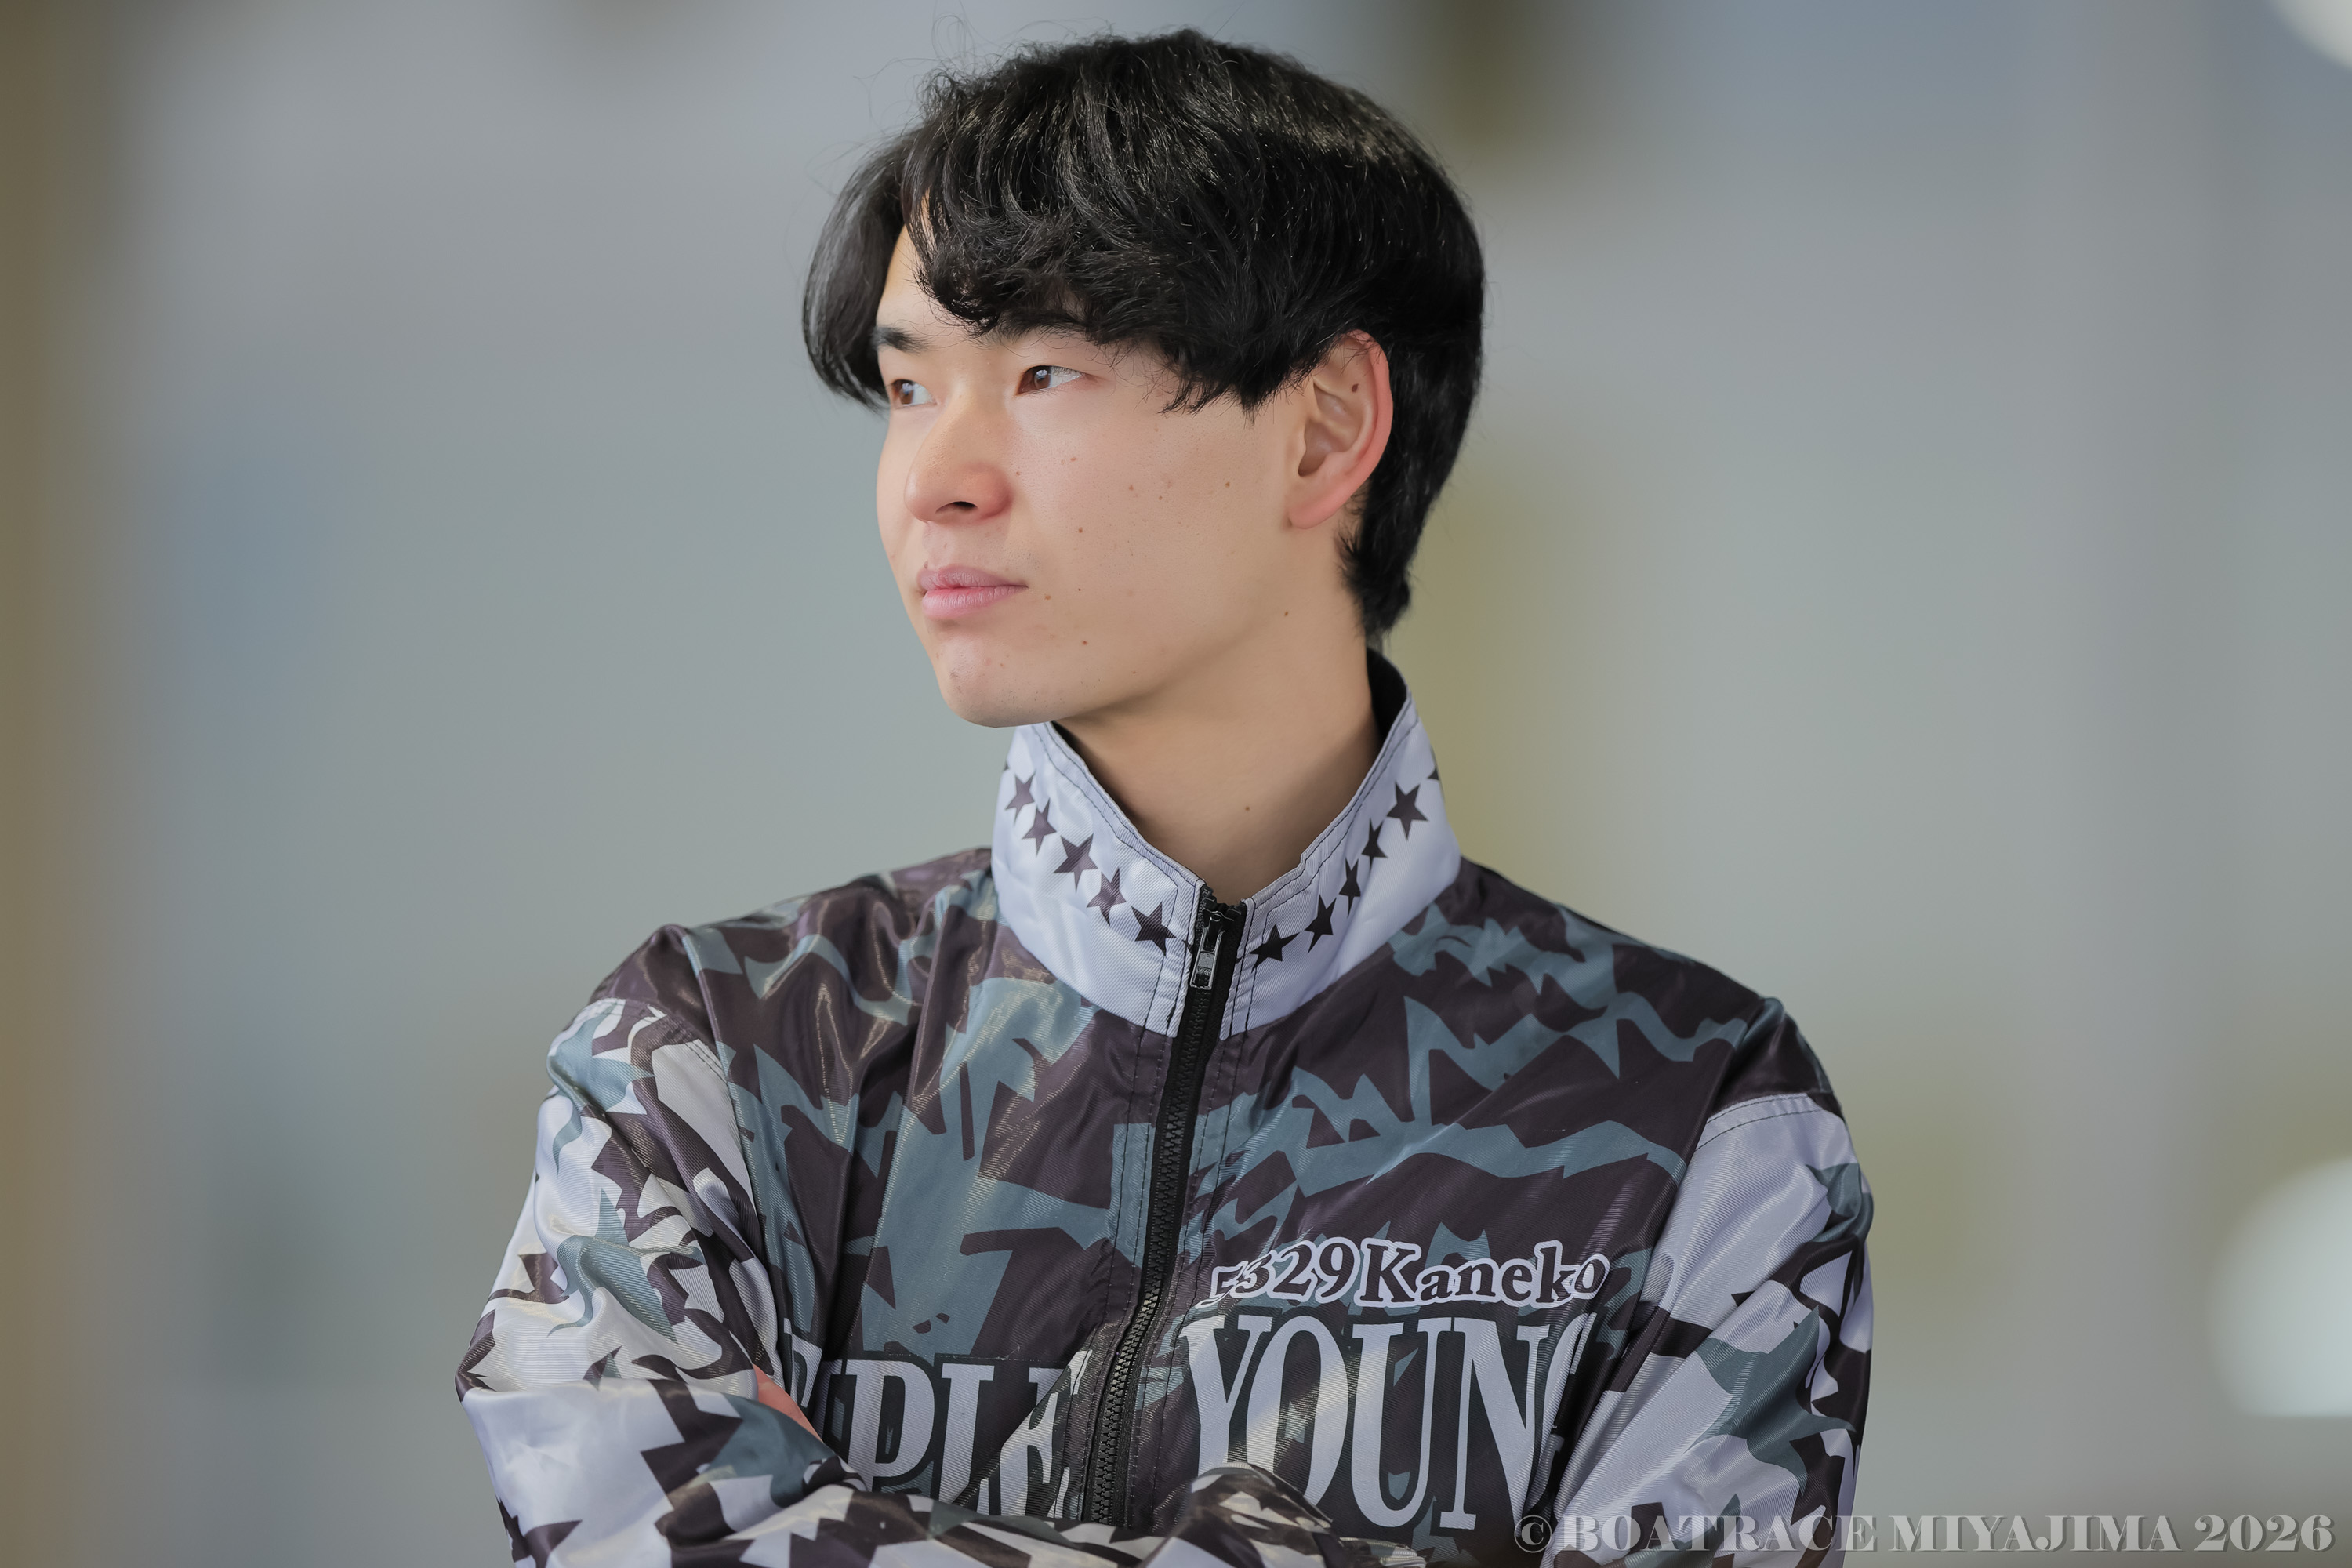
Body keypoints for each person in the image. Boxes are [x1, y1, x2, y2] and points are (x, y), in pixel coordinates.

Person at [457, 29, 1871, 1568]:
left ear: (1325, 428)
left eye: (1043, 374)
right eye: (909, 386)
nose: (933, 478)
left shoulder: (1696, 1117)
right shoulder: (710, 1057)